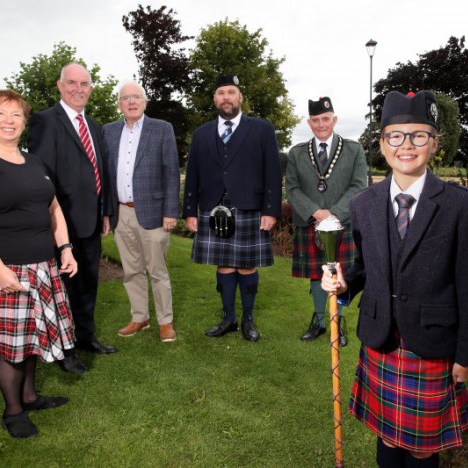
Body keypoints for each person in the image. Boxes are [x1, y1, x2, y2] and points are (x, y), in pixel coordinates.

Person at [321, 90, 468, 467]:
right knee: (388, 439)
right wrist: (345, 283)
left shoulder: (461, 206)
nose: (406, 145)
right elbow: (366, 266)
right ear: (382, 143)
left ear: (435, 143)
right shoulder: (363, 204)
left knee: (421, 447)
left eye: (418, 135)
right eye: (396, 135)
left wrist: (465, 353)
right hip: (380, 340)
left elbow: (466, 286)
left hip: (432, 343)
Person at [0, 90, 77, 439]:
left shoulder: (35, 162)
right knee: (11, 344)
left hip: (41, 265)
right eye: (0, 113)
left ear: (25, 121)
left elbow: (54, 209)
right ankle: (13, 412)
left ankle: (30, 396)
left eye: (16, 115)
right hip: (1, 268)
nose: (8, 121)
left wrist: (65, 248)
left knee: (31, 338)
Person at [28, 63, 117, 374]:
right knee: (62, 288)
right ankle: (64, 350)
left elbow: (101, 172)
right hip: (60, 223)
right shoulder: (44, 121)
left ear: (91, 88)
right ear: (60, 85)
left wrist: (106, 211)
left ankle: (85, 338)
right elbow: (41, 176)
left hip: (91, 221)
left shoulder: (93, 124)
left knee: (87, 284)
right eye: (72, 83)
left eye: (85, 83)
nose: (79, 89)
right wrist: (51, 223)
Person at [183, 74, 282, 342]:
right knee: (224, 265)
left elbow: (272, 172)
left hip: (249, 207)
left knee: (247, 266)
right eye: (220, 93)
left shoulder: (262, 129)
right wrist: (190, 210)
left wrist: (270, 210)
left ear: (240, 97)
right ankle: (228, 318)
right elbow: (193, 173)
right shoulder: (201, 134)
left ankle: (248, 319)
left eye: (231, 92)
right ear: (215, 98)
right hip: (213, 208)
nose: (226, 97)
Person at [101, 81, 180, 342]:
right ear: (119, 104)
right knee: (131, 270)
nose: (131, 101)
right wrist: (106, 213)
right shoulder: (109, 132)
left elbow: (171, 172)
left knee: (157, 270)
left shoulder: (161, 129)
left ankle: (165, 321)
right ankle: (139, 317)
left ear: (145, 102)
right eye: (126, 98)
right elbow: (104, 175)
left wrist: (170, 211)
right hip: (121, 213)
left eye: (136, 97)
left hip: (154, 213)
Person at [286, 97, 366, 346]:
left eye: (325, 119)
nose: (321, 124)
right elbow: (292, 188)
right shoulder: (296, 152)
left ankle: (337, 322)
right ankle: (320, 321)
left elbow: (358, 186)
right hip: (310, 222)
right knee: (316, 274)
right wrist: (316, 213)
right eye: (315, 120)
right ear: (309, 123)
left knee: (338, 272)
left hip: (342, 223)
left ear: (334, 120)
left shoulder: (354, 150)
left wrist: (333, 215)